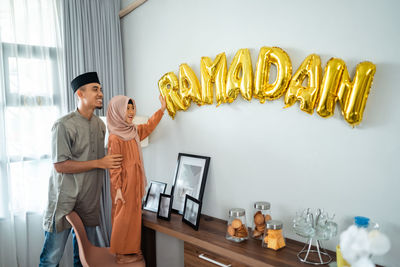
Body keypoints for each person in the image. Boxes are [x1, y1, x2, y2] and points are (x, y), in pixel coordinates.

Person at [39, 72, 123, 267]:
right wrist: (99, 163)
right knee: (51, 259)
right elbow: (60, 166)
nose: (101, 93)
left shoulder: (100, 126)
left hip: (88, 201)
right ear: (80, 93)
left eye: (100, 89)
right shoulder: (63, 125)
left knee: (85, 259)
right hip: (64, 200)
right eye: (95, 89)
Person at [106, 95, 166, 264]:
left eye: (132, 108)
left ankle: (130, 250)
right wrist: (117, 188)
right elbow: (114, 166)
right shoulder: (115, 138)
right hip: (123, 185)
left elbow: (148, 127)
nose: (131, 112)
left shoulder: (133, 131)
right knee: (122, 219)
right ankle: (121, 253)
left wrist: (162, 110)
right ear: (118, 111)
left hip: (135, 181)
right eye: (127, 108)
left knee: (133, 217)